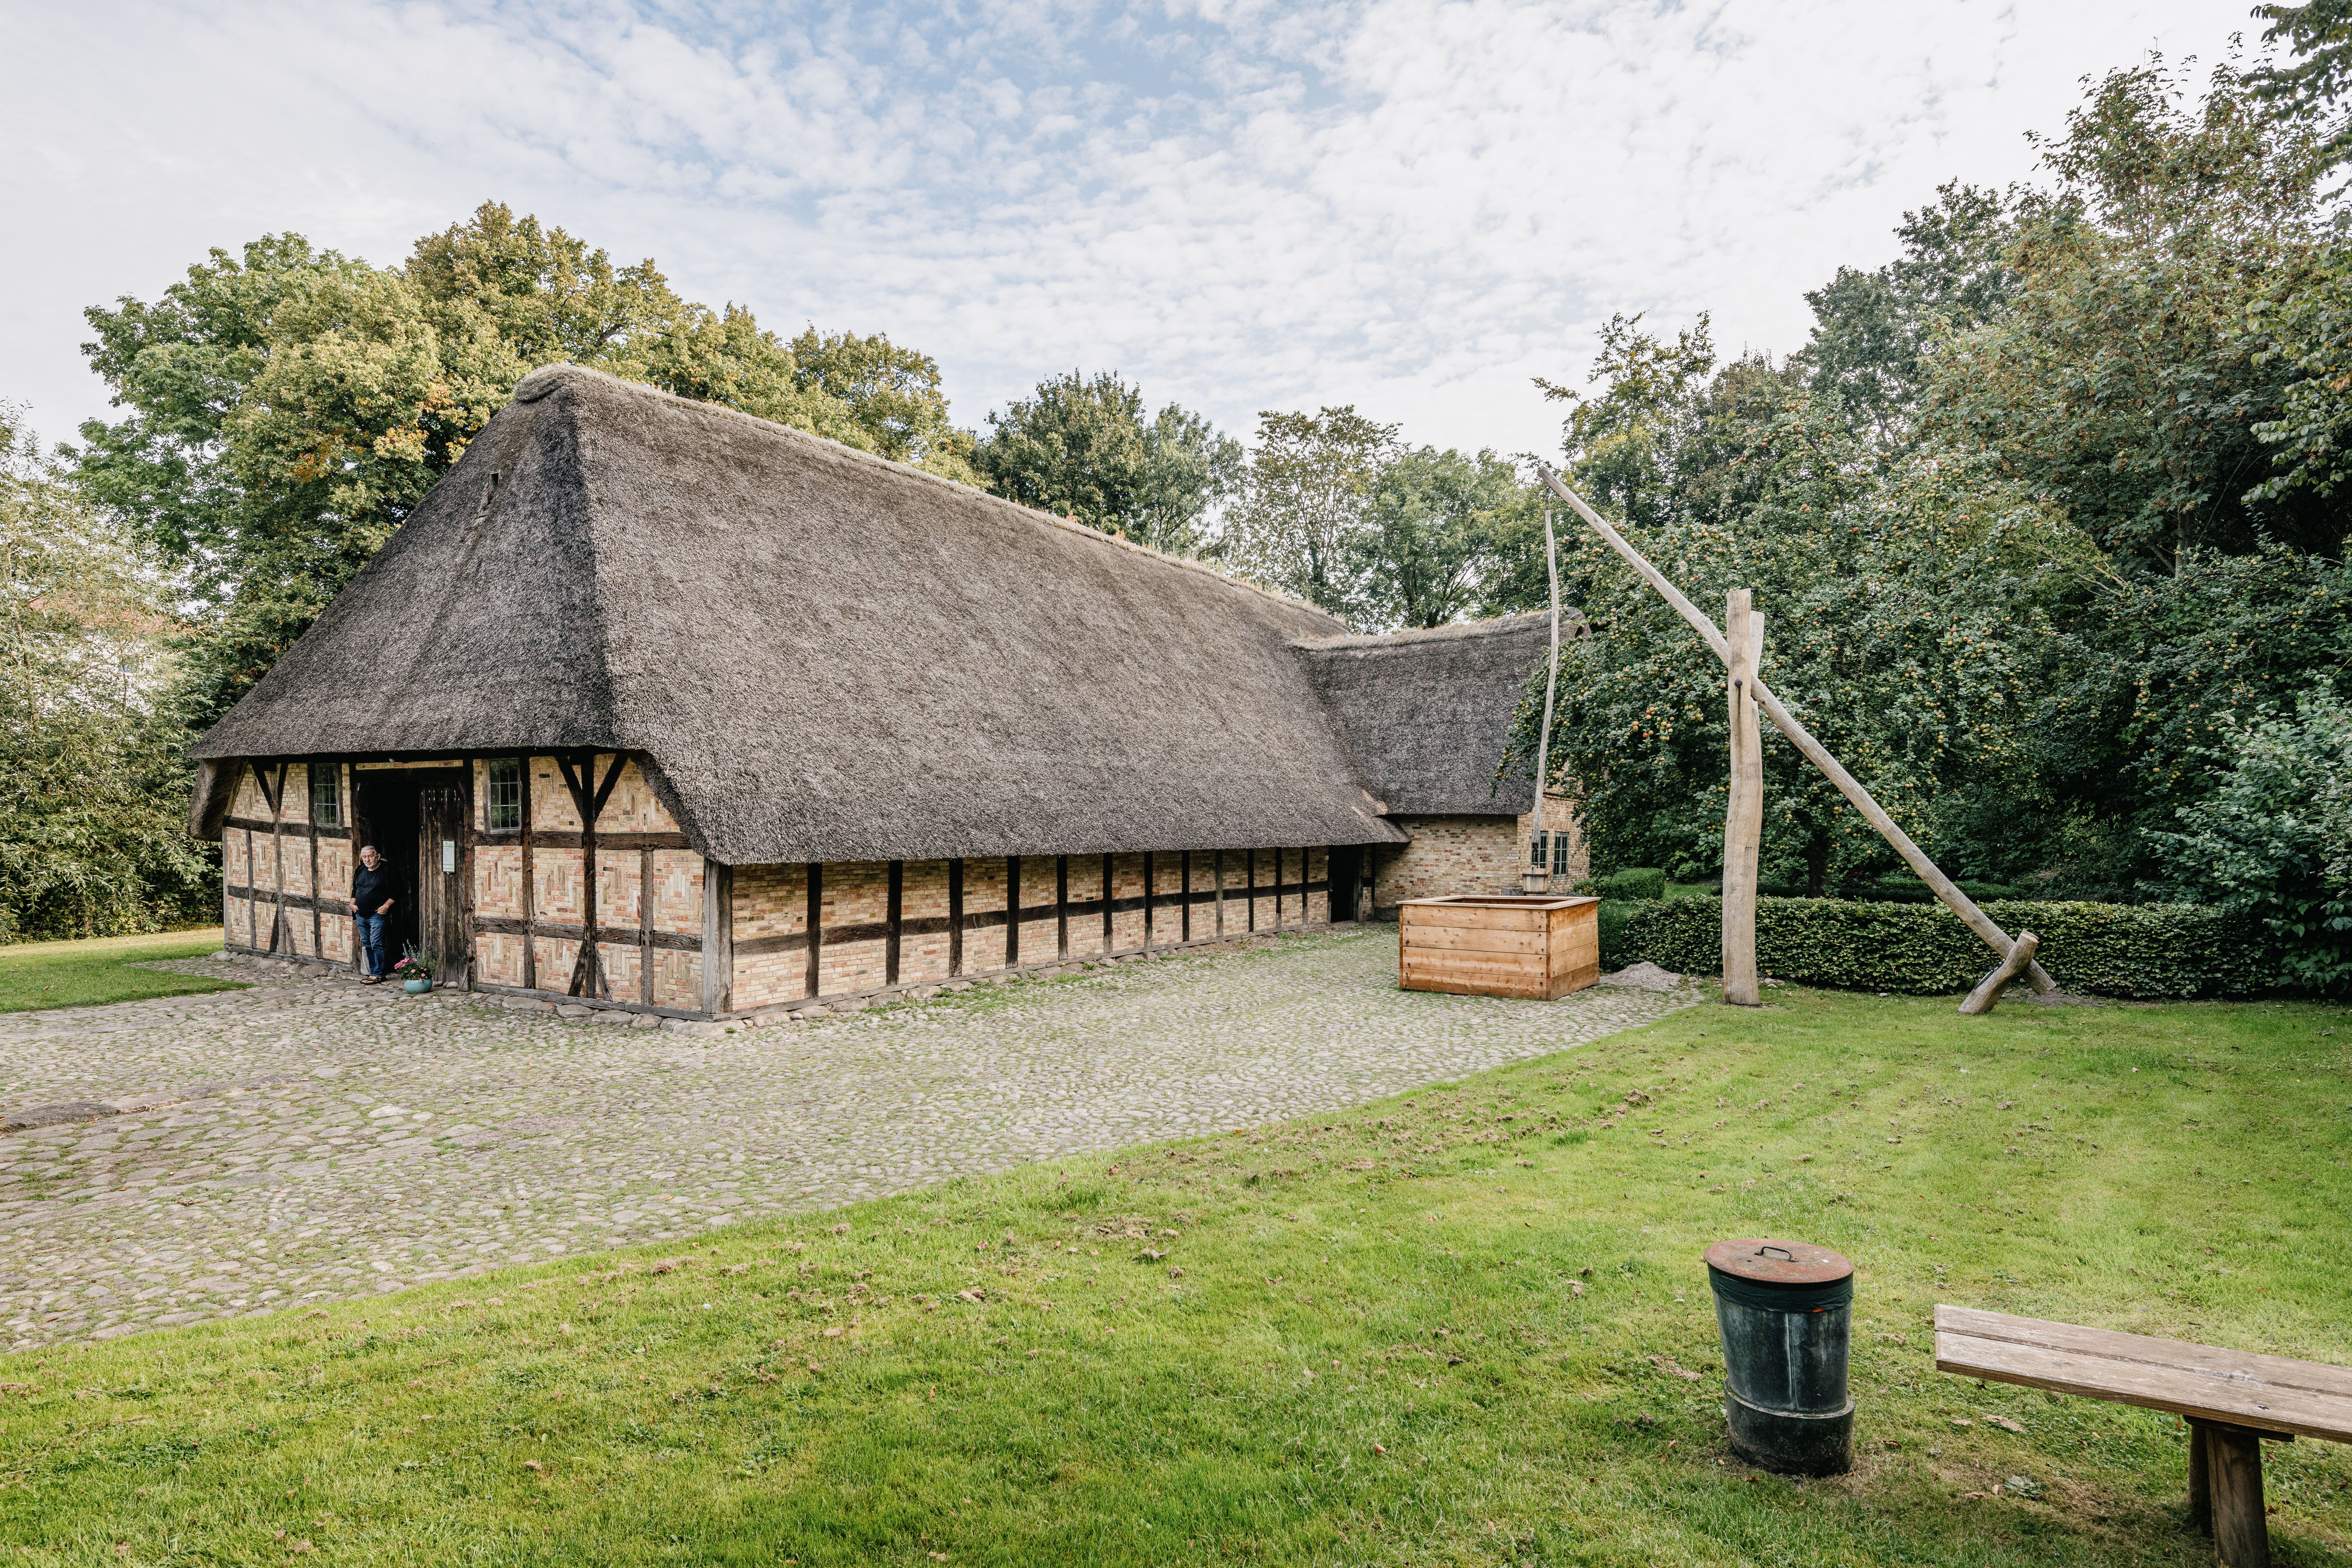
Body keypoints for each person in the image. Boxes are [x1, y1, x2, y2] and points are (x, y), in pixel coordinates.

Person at [352, 845, 396, 983]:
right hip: (361, 914)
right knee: (367, 944)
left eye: (370, 856)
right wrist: (352, 903)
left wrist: (386, 906)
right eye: (364, 857)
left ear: (378, 856)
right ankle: (374, 973)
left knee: (377, 943)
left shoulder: (387, 871)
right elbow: (355, 889)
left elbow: (397, 891)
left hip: (377, 914)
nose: (367, 859)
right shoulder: (360, 870)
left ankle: (379, 975)